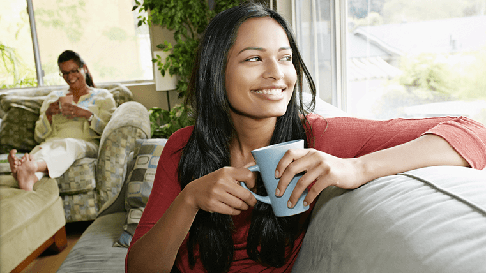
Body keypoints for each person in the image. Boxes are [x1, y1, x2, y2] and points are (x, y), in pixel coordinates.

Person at [126, 3, 486, 273]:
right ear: (215, 72)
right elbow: (138, 268)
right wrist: (189, 200)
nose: (276, 73)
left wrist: (356, 168)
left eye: (285, 58)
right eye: (254, 58)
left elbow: (471, 132)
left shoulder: (318, 137)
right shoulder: (183, 147)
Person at [7, 50, 116, 191]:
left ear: (84, 68)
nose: (70, 77)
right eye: (64, 73)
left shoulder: (103, 97)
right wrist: (49, 115)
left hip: (85, 143)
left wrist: (87, 115)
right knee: (44, 149)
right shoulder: (53, 97)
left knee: (69, 145)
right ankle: (26, 180)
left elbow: (109, 132)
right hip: (53, 142)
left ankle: (30, 166)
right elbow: (38, 136)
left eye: (74, 71)